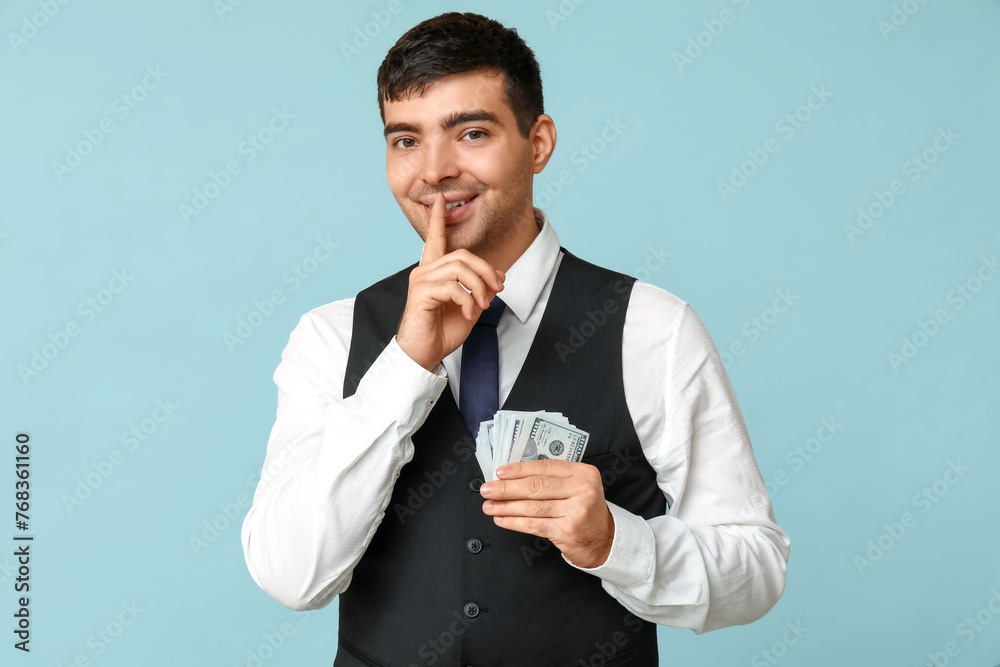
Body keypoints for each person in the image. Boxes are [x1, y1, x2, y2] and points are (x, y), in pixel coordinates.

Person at [241, 11, 790, 666]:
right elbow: (291, 578)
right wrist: (407, 364)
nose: (434, 170)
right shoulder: (330, 336)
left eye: (471, 132)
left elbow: (756, 570)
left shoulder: (654, 329)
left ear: (539, 143)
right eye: (406, 140)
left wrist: (616, 542)